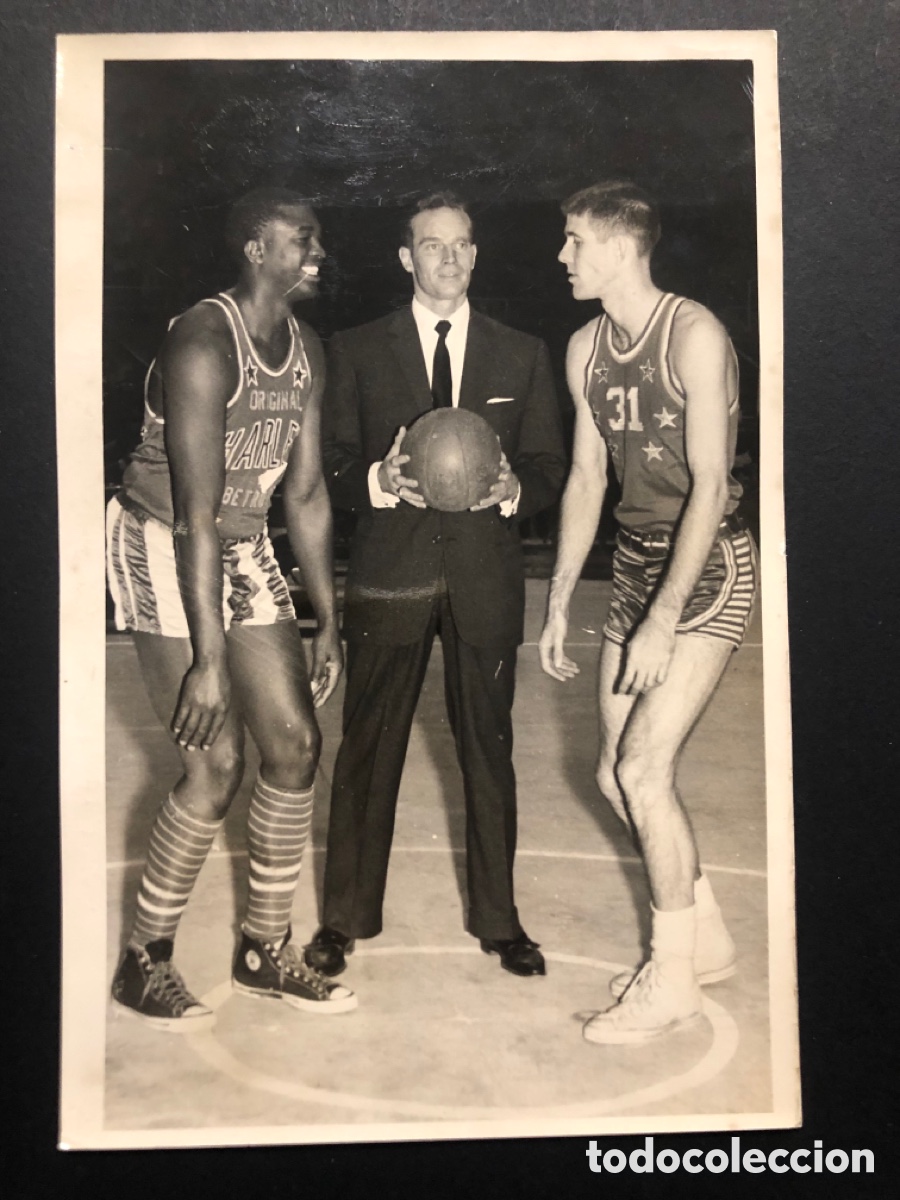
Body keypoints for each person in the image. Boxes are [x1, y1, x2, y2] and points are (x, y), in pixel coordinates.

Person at [106, 187, 356, 1031]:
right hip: (163, 538)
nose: (317, 253)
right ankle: (144, 961)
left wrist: (329, 620)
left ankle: (263, 950)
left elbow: (307, 494)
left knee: (295, 746)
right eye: (302, 239)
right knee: (214, 766)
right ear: (256, 248)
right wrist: (209, 661)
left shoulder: (306, 348)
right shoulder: (203, 341)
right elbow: (194, 516)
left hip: (237, 539)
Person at [304, 192, 566, 978]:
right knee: (368, 747)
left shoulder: (522, 352)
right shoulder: (355, 349)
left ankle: (500, 920)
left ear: (475, 255)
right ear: (406, 258)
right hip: (391, 574)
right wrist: (377, 480)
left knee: (488, 750)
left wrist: (516, 490)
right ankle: (345, 917)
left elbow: (550, 466)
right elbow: (328, 466)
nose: (448, 258)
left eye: (460, 245)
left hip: (485, 576)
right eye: (431, 245)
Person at [539, 181, 758, 1044]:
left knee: (642, 771)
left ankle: (672, 983)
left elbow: (709, 485)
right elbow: (588, 477)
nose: (563, 256)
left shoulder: (695, 336)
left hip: (706, 568)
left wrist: (664, 617)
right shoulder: (585, 348)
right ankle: (705, 939)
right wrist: (560, 597)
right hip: (634, 566)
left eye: (575, 241)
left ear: (623, 248)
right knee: (610, 774)